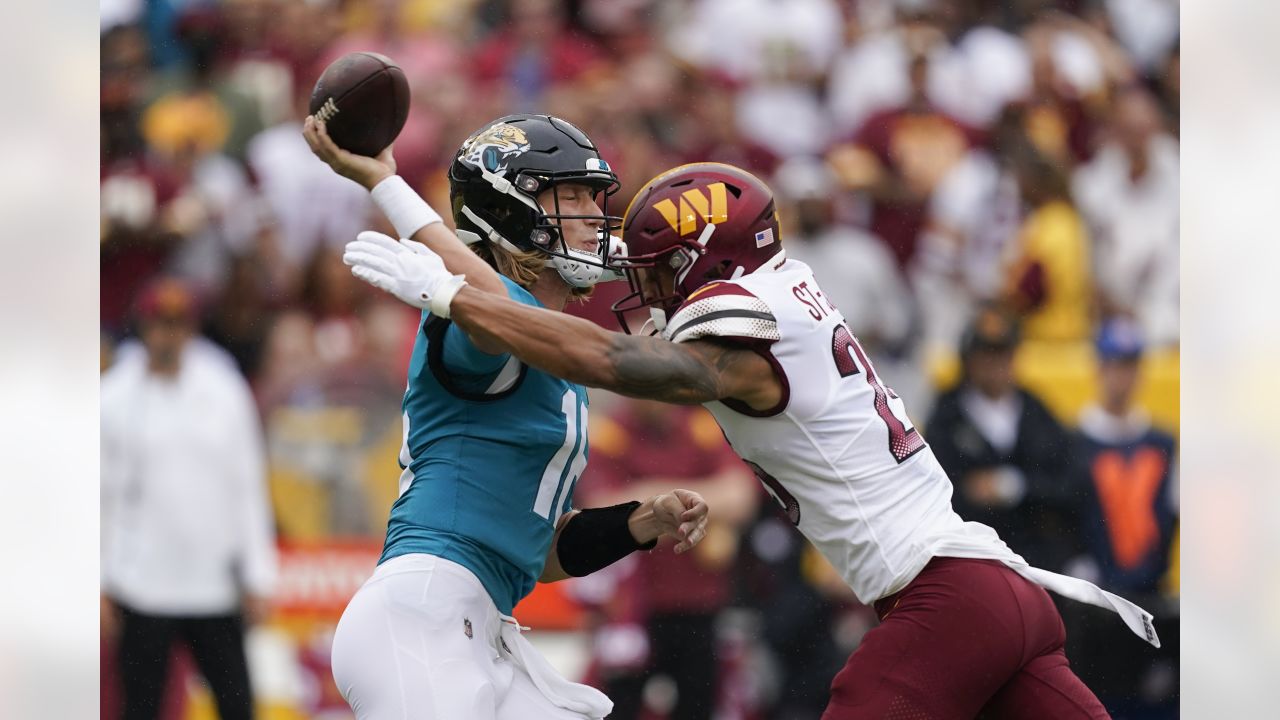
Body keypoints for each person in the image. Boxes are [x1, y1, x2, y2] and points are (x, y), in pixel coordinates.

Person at [337, 159, 1163, 718]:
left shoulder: (745, 327)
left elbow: (613, 359)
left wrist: (450, 295)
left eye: (661, 272)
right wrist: (392, 188)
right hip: (1003, 593)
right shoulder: (790, 292)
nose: (649, 291)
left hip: (945, 599)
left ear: (704, 260)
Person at [303, 113, 711, 720]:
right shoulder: (486, 315)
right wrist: (387, 185)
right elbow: (493, 305)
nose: (594, 214)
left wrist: (640, 522)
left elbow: (532, 550)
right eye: (571, 195)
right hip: (423, 612)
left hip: (479, 623)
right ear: (511, 210)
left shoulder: (552, 350)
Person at [101, 278, 278, 720]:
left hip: (212, 583)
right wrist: (98, 581)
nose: (169, 335)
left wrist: (258, 574)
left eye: (178, 324)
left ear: (191, 328)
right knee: (140, 708)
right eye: (160, 324)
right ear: (143, 327)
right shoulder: (114, 396)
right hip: (141, 583)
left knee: (237, 705)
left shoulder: (223, 388)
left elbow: (247, 484)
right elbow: (99, 496)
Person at [924, 305, 1080, 572]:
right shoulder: (947, 415)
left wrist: (1014, 486)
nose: (994, 363)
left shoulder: (1036, 412)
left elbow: (1069, 486)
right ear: (969, 358)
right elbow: (933, 489)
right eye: (986, 353)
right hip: (971, 559)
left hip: (1036, 558)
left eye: (1002, 352)